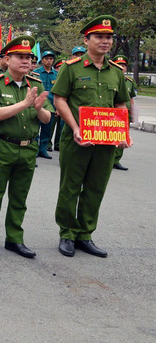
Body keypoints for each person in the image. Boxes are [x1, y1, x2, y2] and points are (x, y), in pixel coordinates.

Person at [51, 16, 131, 258]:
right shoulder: (71, 68)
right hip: (76, 139)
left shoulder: (116, 72)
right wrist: (75, 128)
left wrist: (123, 133)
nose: (105, 41)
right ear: (87, 40)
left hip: (105, 142)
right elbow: (59, 99)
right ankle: (67, 233)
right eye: (99, 37)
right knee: (70, 186)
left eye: (109, 37)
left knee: (96, 187)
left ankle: (85, 234)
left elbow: (120, 104)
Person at [0, 36, 54, 259]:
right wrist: (24, 104)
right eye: (20, 57)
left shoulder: (37, 84)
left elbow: (47, 118)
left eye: (29, 58)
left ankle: (14, 239)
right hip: (1, 146)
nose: (26, 61)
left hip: (27, 149)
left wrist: (39, 109)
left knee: (20, 197)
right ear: (7, 59)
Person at [111, 54, 137, 171]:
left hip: (123, 114)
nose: (121, 67)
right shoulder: (110, 78)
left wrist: (132, 115)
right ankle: (107, 160)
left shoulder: (129, 82)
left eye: (123, 65)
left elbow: (131, 100)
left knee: (122, 136)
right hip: (110, 114)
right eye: (118, 64)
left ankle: (116, 160)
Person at [33, 50, 58, 159]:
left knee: (47, 129)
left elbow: (58, 92)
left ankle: (43, 149)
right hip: (38, 105)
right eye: (46, 58)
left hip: (51, 106)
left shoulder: (57, 75)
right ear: (42, 60)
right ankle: (34, 149)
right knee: (35, 128)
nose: (49, 61)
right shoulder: (36, 73)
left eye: (51, 59)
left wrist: (58, 108)